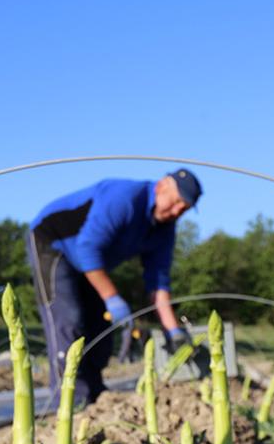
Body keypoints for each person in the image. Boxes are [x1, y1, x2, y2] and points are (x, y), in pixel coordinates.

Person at [26, 170, 202, 406]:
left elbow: (159, 284)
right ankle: (70, 403)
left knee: (99, 325)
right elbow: (88, 249)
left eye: (185, 208)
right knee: (68, 319)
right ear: (161, 186)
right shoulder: (125, 198)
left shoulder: (164, 231)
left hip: (91, 264)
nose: (177, 211)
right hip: (53, 243)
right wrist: (113, 298)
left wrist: (174, 331)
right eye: (177, 201)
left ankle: (95, 395)